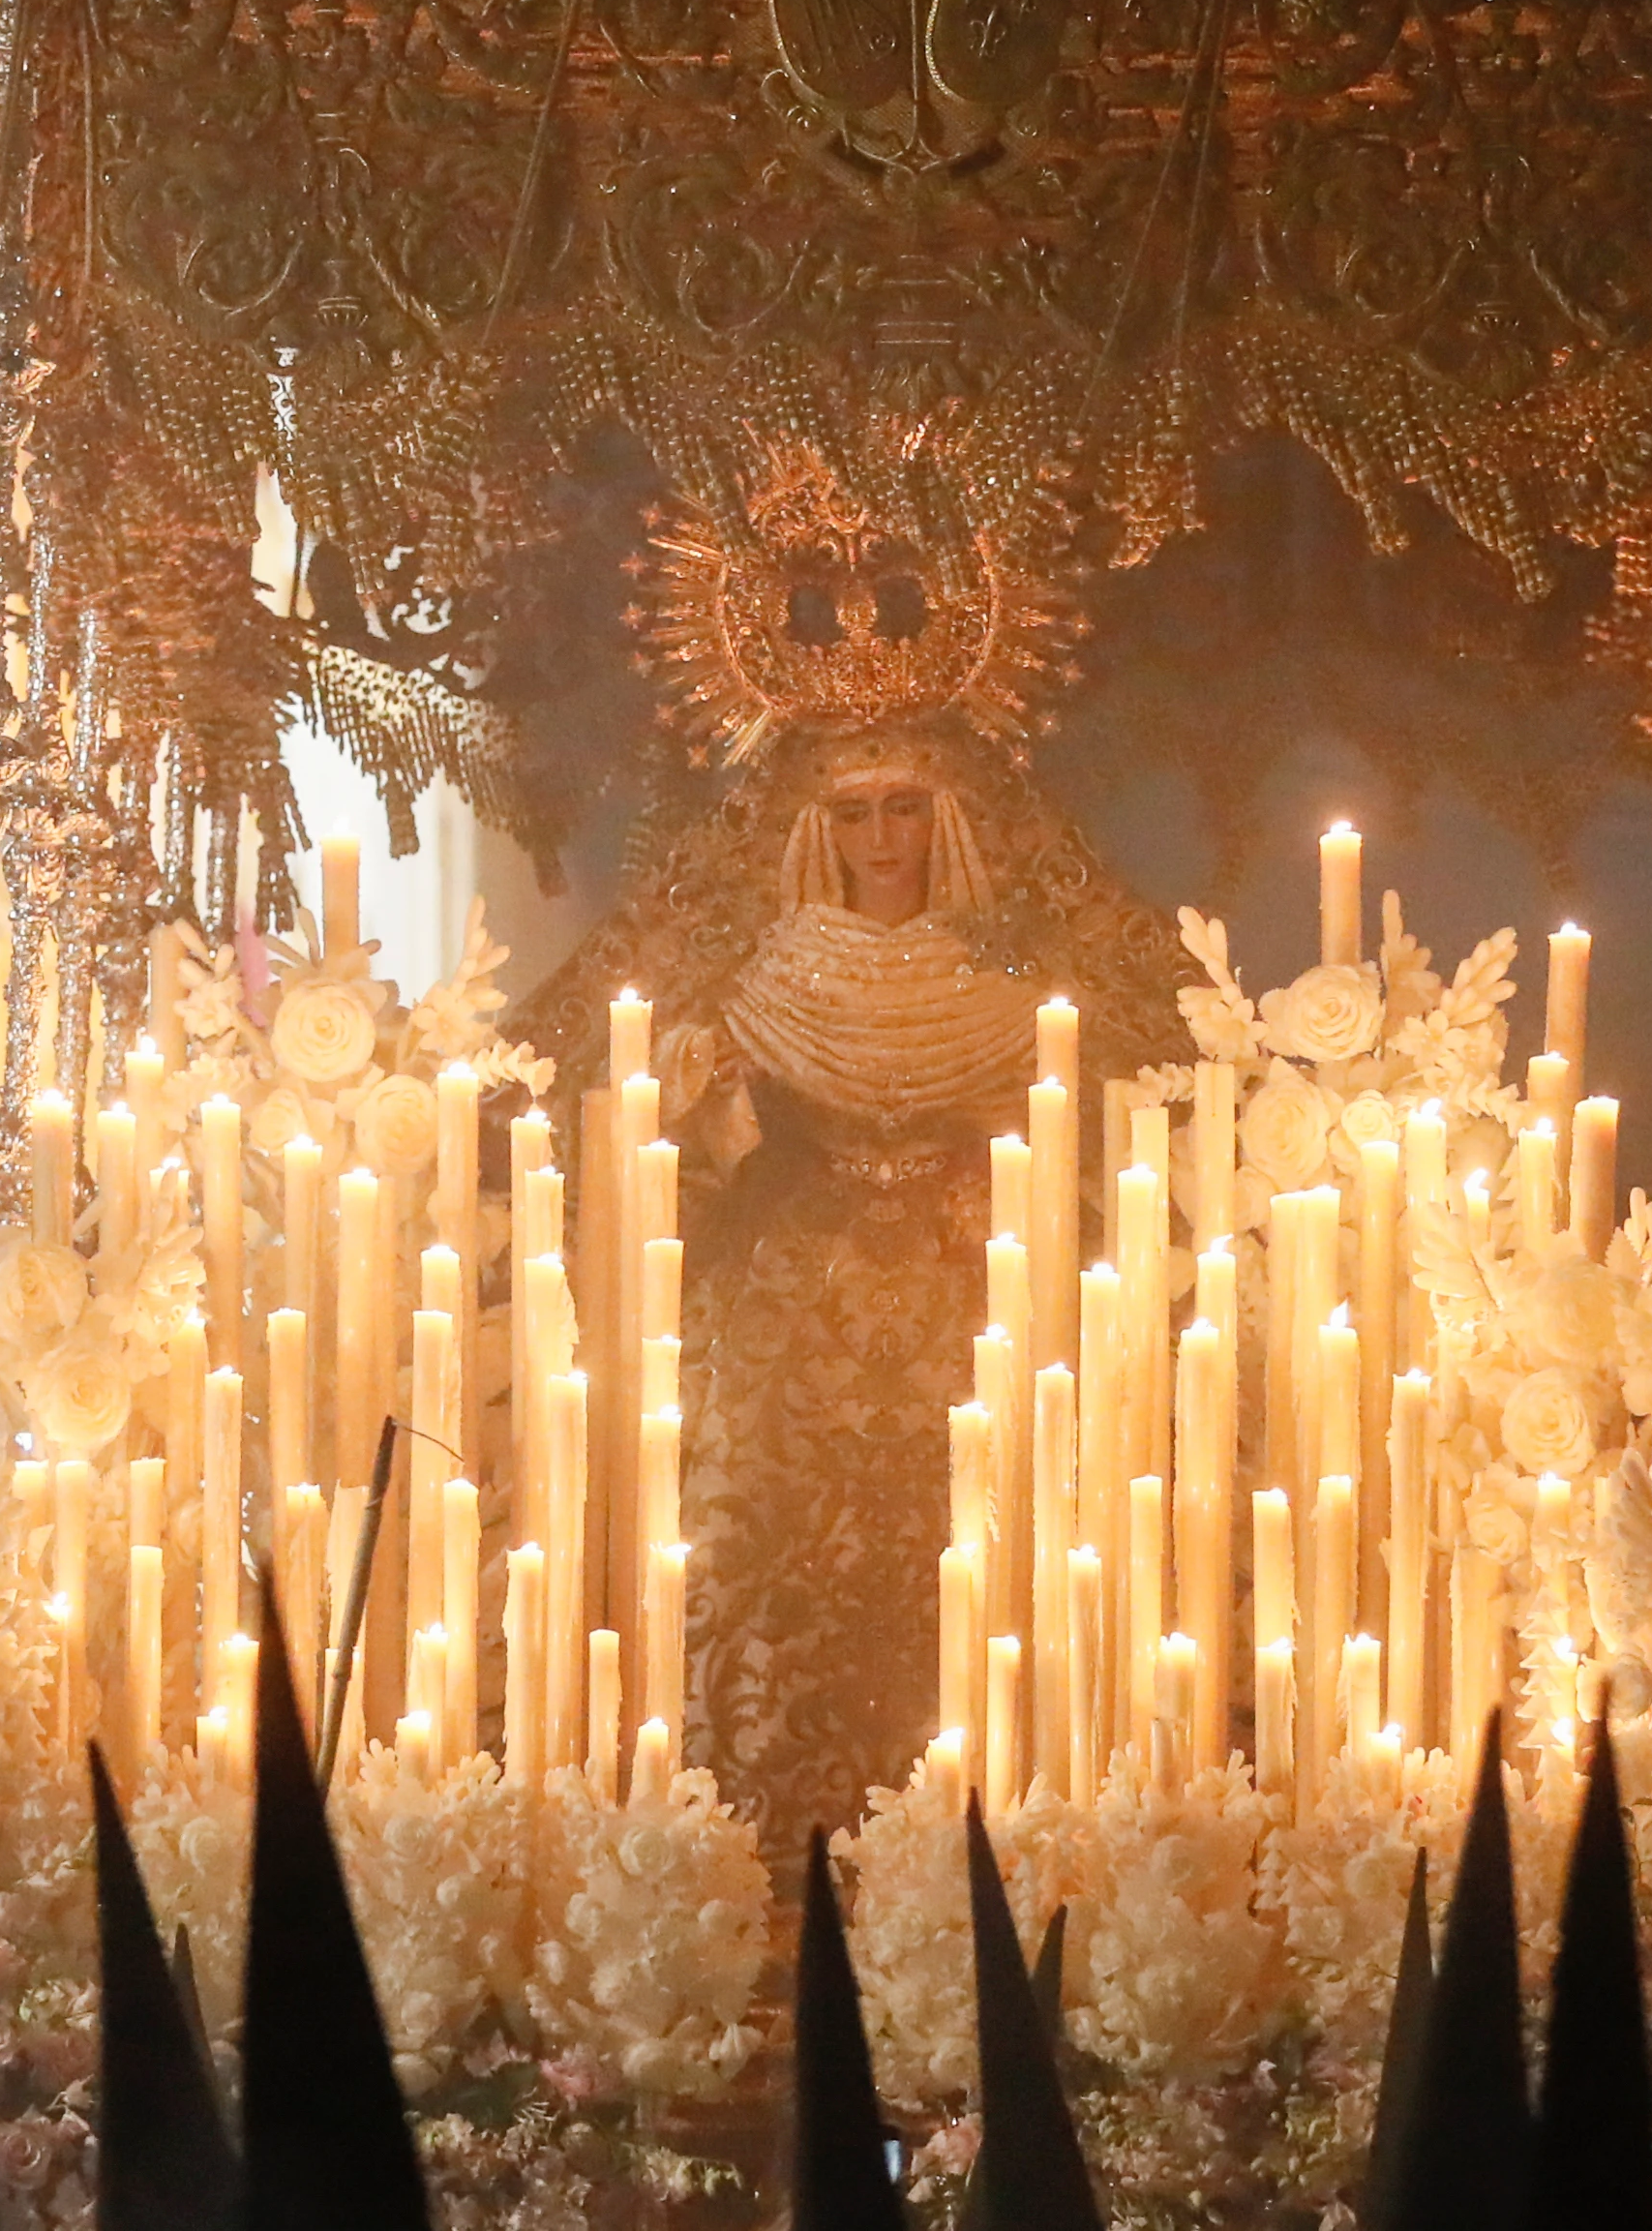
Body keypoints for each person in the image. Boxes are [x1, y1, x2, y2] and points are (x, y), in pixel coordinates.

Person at [507, 717, 1191, 1835]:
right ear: (814, 827)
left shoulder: (1014, 989)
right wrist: (706, 1112)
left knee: (991, 1537)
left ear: (951, 819)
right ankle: (756, 1825)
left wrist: (1014, 1126)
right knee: (751, 1544)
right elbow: (665, 1164)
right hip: (790, 1307)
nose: (885, 836)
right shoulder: (759, 986)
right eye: (855, 810)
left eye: (908, 805)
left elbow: (1104, 1130)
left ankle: (994, 1812)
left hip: (978, 1296)